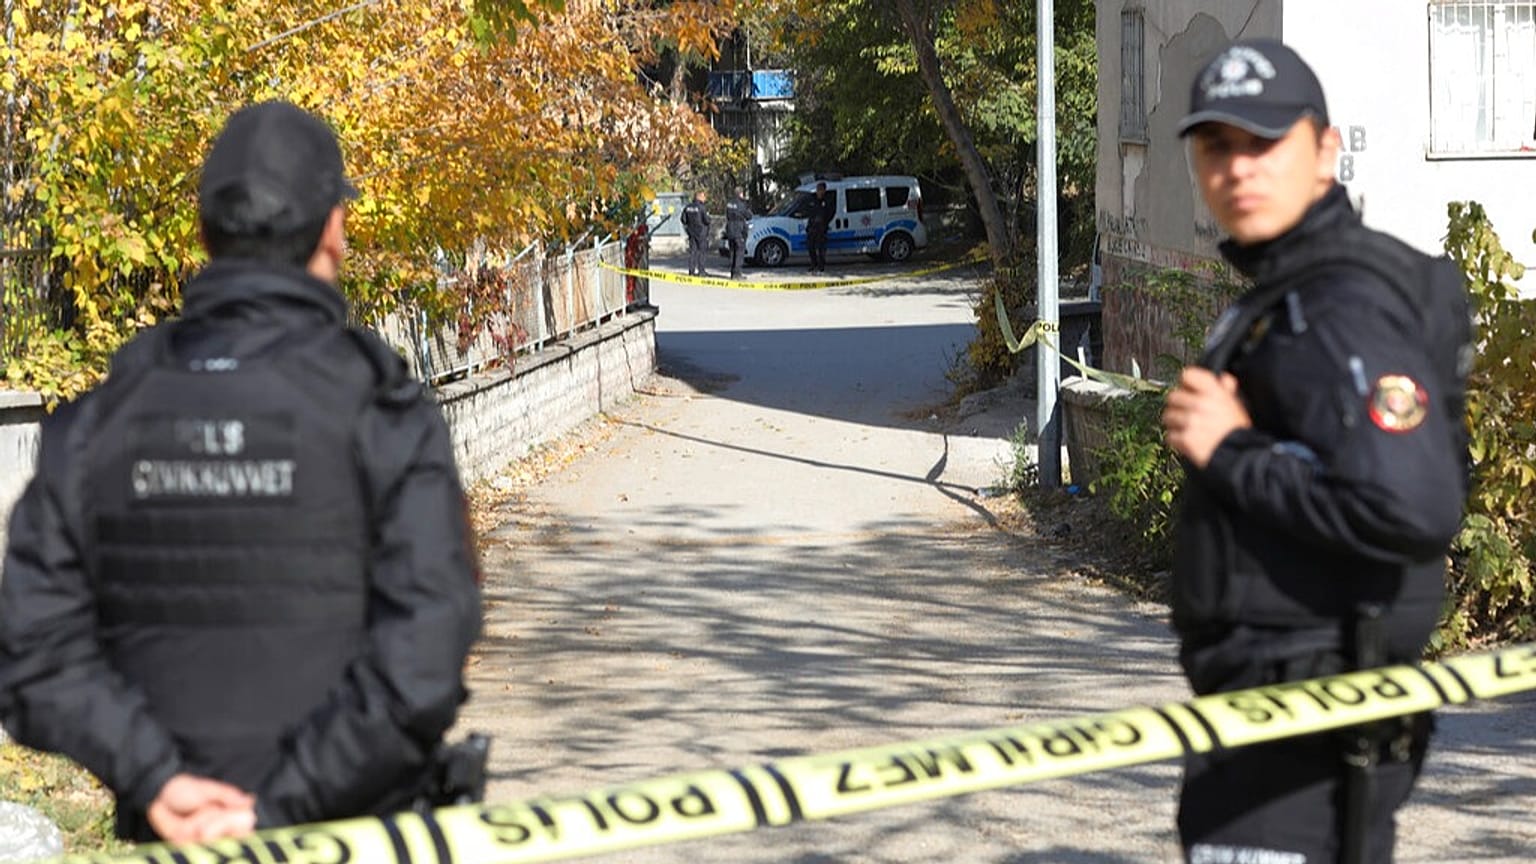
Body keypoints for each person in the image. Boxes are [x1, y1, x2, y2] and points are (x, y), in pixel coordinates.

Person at [0, 101, 484, 844]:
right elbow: (425, 652)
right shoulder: (379, 407)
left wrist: (157, 780)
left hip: (177, 836)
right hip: (350, 836)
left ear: (205, 235)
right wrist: (281, 813)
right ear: (332, 229)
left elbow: (33, 653)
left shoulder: (102, 418)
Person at [1160, 40, 1470, 864]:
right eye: (1215, 147)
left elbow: (1412, 507)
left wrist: (1228, 450)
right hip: (1281, 713)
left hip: (1307, 718)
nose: (1238, 169)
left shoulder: (1337, 305)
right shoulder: (1292, 290)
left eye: (1264, 142)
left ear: (1325, 150)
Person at [805, 181, 835, 274]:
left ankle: (821, 266)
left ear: (824, 190)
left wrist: (825, 223)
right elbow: (809, 213)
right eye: (818, 189)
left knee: (821, 248)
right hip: (812, 227)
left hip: (821, 228)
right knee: (811, 247)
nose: (819, 191)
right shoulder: (813, 200)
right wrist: (809, 226)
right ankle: (813, 264)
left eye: (821, 189)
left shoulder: (827, 201)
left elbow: (830, 213)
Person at [681, 189, 710, 277]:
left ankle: (691, 271)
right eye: (704, 197)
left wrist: (688, 226)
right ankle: (701, 271)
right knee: (702, 252)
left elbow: (683, 219)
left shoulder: (687, 207)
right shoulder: (702, 207)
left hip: (691, 232)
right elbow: (707, 220)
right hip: (701, 232)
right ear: (700, 197)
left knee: (693, 252)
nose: (705, 199)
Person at [724, 186, 751, 280]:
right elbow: (748, 216)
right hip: (739, 230)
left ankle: (732, 273)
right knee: (739, 252)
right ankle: (737, 274)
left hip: (730, 229)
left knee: (732, 252)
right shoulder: (741, 204)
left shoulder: (729, 203)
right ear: (740, 194)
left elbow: (727, 215)